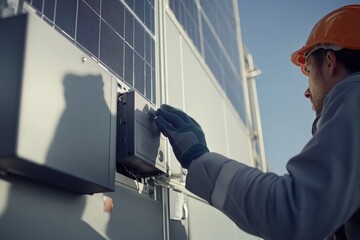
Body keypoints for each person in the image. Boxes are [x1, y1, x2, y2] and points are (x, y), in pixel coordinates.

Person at [155, 5, 360, 240]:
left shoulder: (355, 97)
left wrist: (200, 159)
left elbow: (292, 213)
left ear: (330, 62)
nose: (306, 92)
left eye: (309, 69)